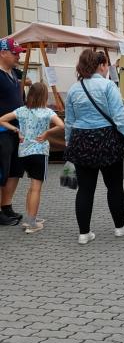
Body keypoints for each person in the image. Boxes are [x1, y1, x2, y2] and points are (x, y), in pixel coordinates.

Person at [65, 49, 124, 245]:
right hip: (107, 138)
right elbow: (119, 116)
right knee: (114, 186)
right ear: (101, 65)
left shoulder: (74, 89)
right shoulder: (108, 86)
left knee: (85, 189)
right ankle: (120, 227)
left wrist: (68, 142)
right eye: (106, 65)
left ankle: (84, 233)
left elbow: (69, 121)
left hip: (81, 139)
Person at [0, 81, 64, 234]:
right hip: (39, 153)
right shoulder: (48, 112)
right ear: (44, 96)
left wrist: (16, 129)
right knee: (36, 188)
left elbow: (1, 119)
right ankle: (32, 223)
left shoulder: (21, 110)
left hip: (23, 153)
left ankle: (30, 218)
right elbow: (61, 125)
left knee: (31, 188)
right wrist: (47, 133)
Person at [0, 36, 26, 226]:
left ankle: (6, 206)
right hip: (2, 131)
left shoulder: (14, 74)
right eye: (15, 53)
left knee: (15, 170)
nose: (18, 56)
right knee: (1, 171)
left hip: (17, 130)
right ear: (3, 53)